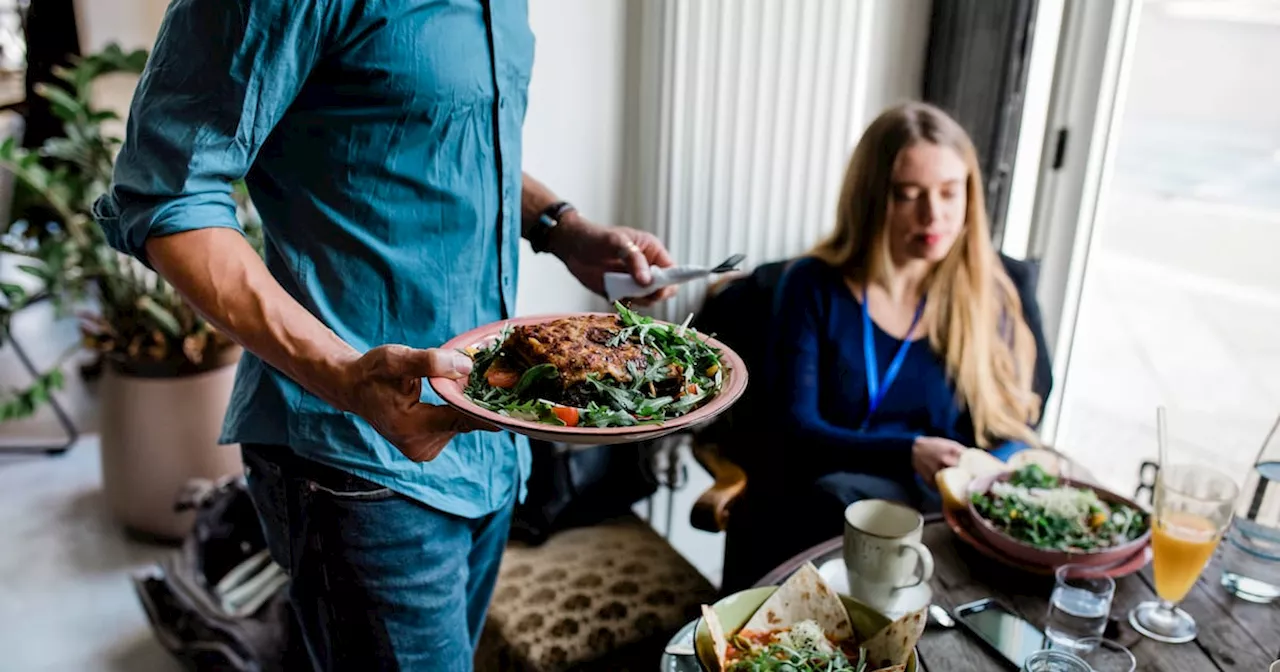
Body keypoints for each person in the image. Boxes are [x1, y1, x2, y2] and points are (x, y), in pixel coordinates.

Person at [92, 2, 675, 670]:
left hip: (487, 443)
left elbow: (444, 129)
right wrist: (340, 371)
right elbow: (167, 197)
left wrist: (558, 227)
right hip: (355, 459)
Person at [720, 101, 1053, 591]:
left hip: (936, 520)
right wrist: (908, 450)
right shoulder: (811, 286)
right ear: (872, 198)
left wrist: (989, 469)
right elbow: (796, 430)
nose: (933, 215)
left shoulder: (994, 287)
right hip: (819, 506)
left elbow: (1020, 418)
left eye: (949, 192)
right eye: (908, 194)